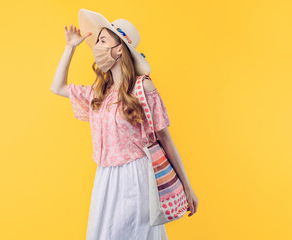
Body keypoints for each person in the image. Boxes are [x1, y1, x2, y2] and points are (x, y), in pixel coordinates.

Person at [51, 8, 198, 240]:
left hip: (135, 178)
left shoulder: (142, 89)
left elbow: (165, 140)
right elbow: (57, 87)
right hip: (105, 180)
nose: (96, 47)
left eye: (102, 40)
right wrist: (70, 47)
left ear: (119, 49)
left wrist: (187, 187)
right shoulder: (98, 94)